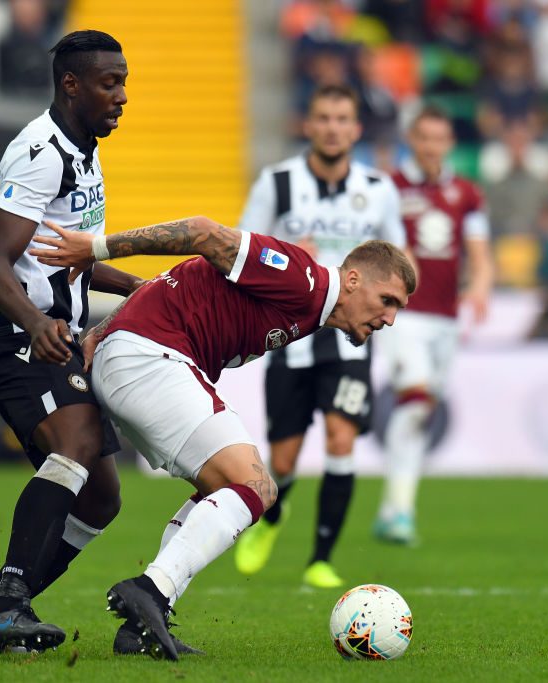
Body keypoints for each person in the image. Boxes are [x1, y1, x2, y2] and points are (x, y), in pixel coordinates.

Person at [29, 215, 416, 660]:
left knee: (220, 491)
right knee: (255, 486)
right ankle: (150, 592)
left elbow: (174, 283)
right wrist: (97, 248)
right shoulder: (304, 277)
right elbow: (202, 233)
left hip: (142, 357)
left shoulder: (310, 302)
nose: (388, 318)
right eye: (387, 300)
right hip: (151, 360)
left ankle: (135, 622)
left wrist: (108, 327)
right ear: (352, 280)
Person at [0, 30, 145, 655]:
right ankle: (9, 605)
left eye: (125, 81)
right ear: (71, 85)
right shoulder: (40, 152)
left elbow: (64, 257)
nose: (122, 96)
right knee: (77, 443)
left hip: (51, 332)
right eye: (110, 83)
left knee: (103, 499)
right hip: (9, 334)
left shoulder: (84, 148)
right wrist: (36, 324)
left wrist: (139, 287)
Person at [230, 84, 406, 589]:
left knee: (340, 437)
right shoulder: (277, 183)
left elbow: (397, 261)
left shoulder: (378, 189)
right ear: (309, 125)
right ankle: (273, 518)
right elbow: (241, 250)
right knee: (282, 460)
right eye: (323, 117)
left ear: (355, 129)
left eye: (341, 118)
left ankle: (321, 559)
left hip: (351, 337)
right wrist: (285, 251)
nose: (332, 127)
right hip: (291, 336)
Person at [372, 105, 493, 545]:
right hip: (403, 316)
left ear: (449, 144)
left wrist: (479, 287)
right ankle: (400, 512)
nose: (431, 146)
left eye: (439, 139)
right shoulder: (390, 187)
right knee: (417, 398)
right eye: (423, 137)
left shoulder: (467, 193)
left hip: (446, 318)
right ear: (412, 139)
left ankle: (394, 511)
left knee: (420, 414)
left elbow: (478, 249)